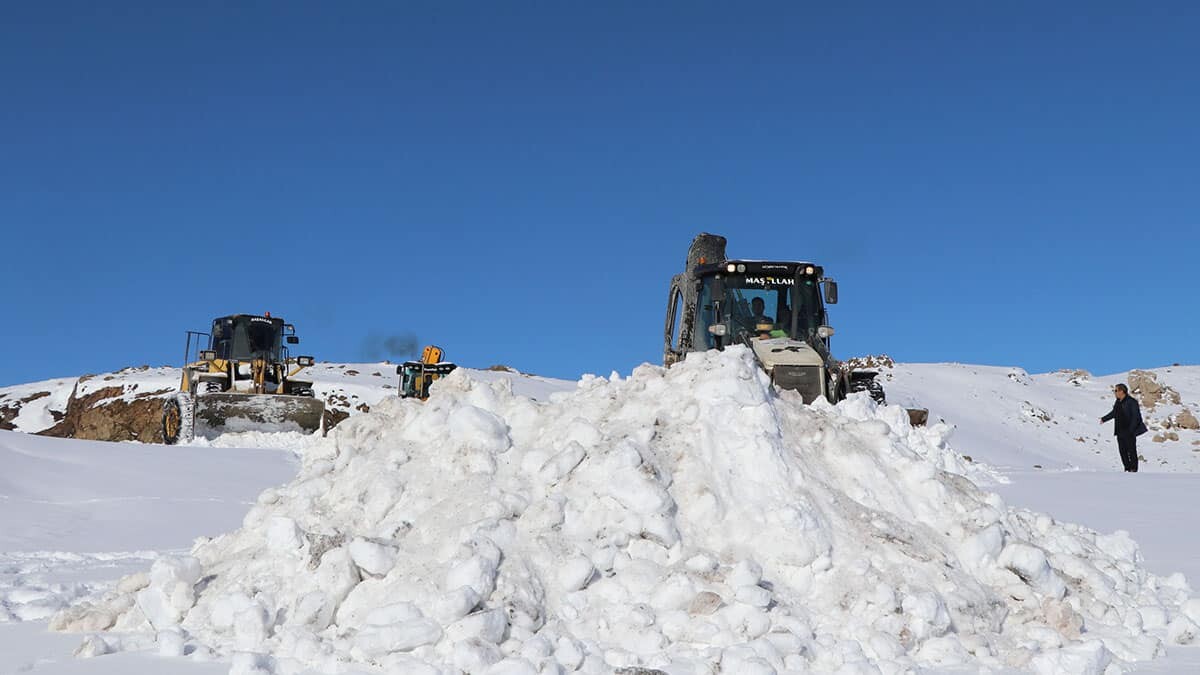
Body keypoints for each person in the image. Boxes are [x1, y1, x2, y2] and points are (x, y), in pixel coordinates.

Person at [1100, 383, 1147, 472]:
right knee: (1122, 452)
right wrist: (1104, 419)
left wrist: (1131, 430)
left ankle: (1133, 469)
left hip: (1129, 431)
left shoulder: (1131, 401)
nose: (1115, 392)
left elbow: (1135, 416)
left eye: (1116, 390)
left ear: (1122, 391)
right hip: (1120, 430)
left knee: (1131, 451)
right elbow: (1114, 413)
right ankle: (1127, 469)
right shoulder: (1118, 402)